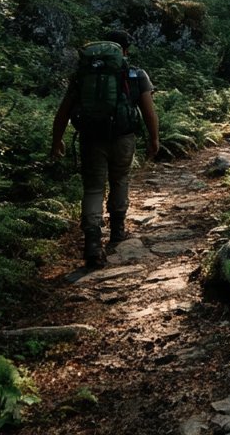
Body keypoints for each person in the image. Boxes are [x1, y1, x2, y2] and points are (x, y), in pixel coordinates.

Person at [50, 29, 160, 268]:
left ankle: (92, 243)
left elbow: (64, 111)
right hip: (123, 138)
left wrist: (56, 140)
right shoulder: (136, 74)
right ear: (125, 50)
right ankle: (118, 230)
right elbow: (148, 111)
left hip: (90, 138)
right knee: (120, 180)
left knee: (93, 189)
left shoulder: (83, 74)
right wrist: (154, 139)